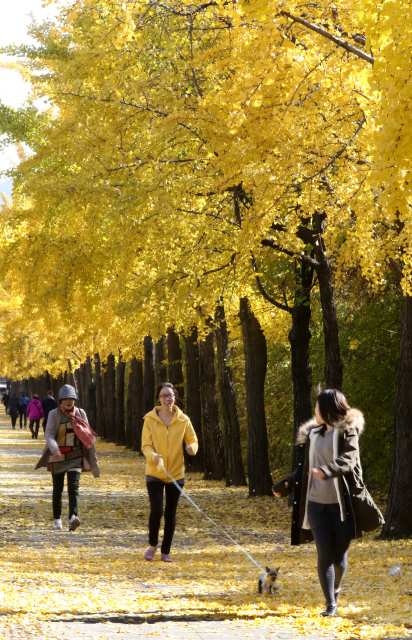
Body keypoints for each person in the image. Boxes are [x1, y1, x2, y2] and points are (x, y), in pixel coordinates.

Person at [273, 389, 381, 617]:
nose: (314, 410)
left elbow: (349, 460)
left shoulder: (347, 432)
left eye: (317, 406)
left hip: (341, 505)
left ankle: (336, 590)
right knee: (324, 555)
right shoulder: (312, 434)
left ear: (327, 408)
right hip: (315, 504)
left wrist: (326, 471)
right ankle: (330, 604)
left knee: (339, 559)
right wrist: (286, 484)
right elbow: (305, 469)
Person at [142, 382, 198, 563]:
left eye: (170, 395)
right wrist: (153, 456)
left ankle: (165, 551)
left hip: (176, 474)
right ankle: (152, 546)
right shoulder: (150, 419)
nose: (167, 398)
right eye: (164, 395)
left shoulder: (184, 420)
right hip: (155, 472)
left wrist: (192, 448)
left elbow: (193, 441)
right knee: (157, 510)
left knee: (170, 514)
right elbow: (146, 445)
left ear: (175, 397)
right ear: (158, 398)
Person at [35, 384, 99, 532]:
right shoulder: (54, 414)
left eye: (71, 399)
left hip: (76, 455)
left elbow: (88, 432)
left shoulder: (80, 413)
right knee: (58, 489)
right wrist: (55, 449)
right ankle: (57, 518)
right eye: (65, 399)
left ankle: (72, 518)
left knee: (74, 488)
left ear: (75, 399)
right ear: (61, 400)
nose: (68, 402)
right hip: (57, 455)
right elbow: (49, 434)